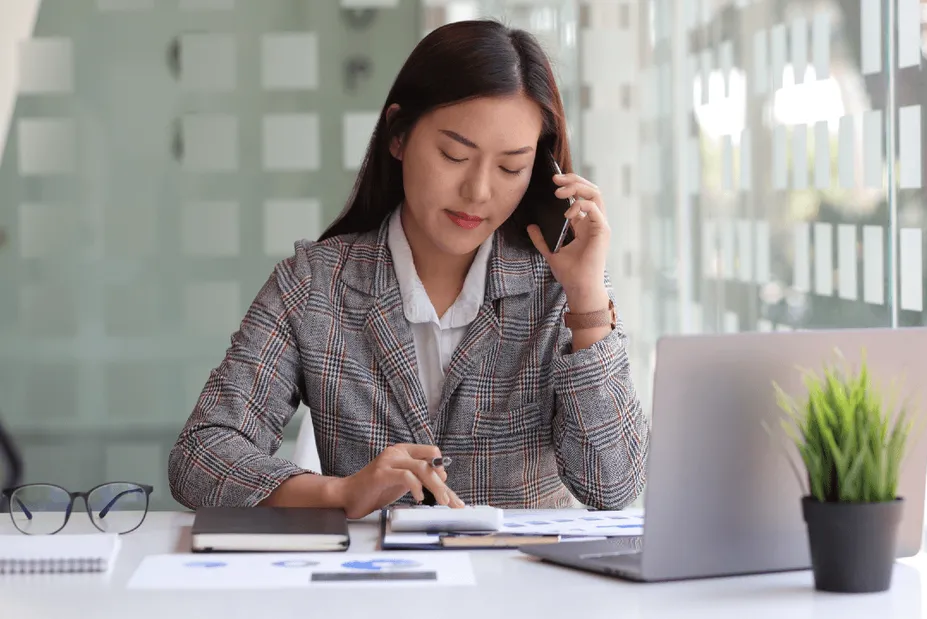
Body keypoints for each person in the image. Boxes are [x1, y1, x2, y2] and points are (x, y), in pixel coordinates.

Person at [167, 19, 650, 518]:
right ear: (398, 136)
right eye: (454, 154)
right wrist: (340, 493)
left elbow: (612, 488)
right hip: (374, 586)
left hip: (520, 588)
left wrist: (587, 296)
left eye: (511, 167)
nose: (478, 192)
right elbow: (201, 455)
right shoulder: (315, 285)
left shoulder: (562, 290)